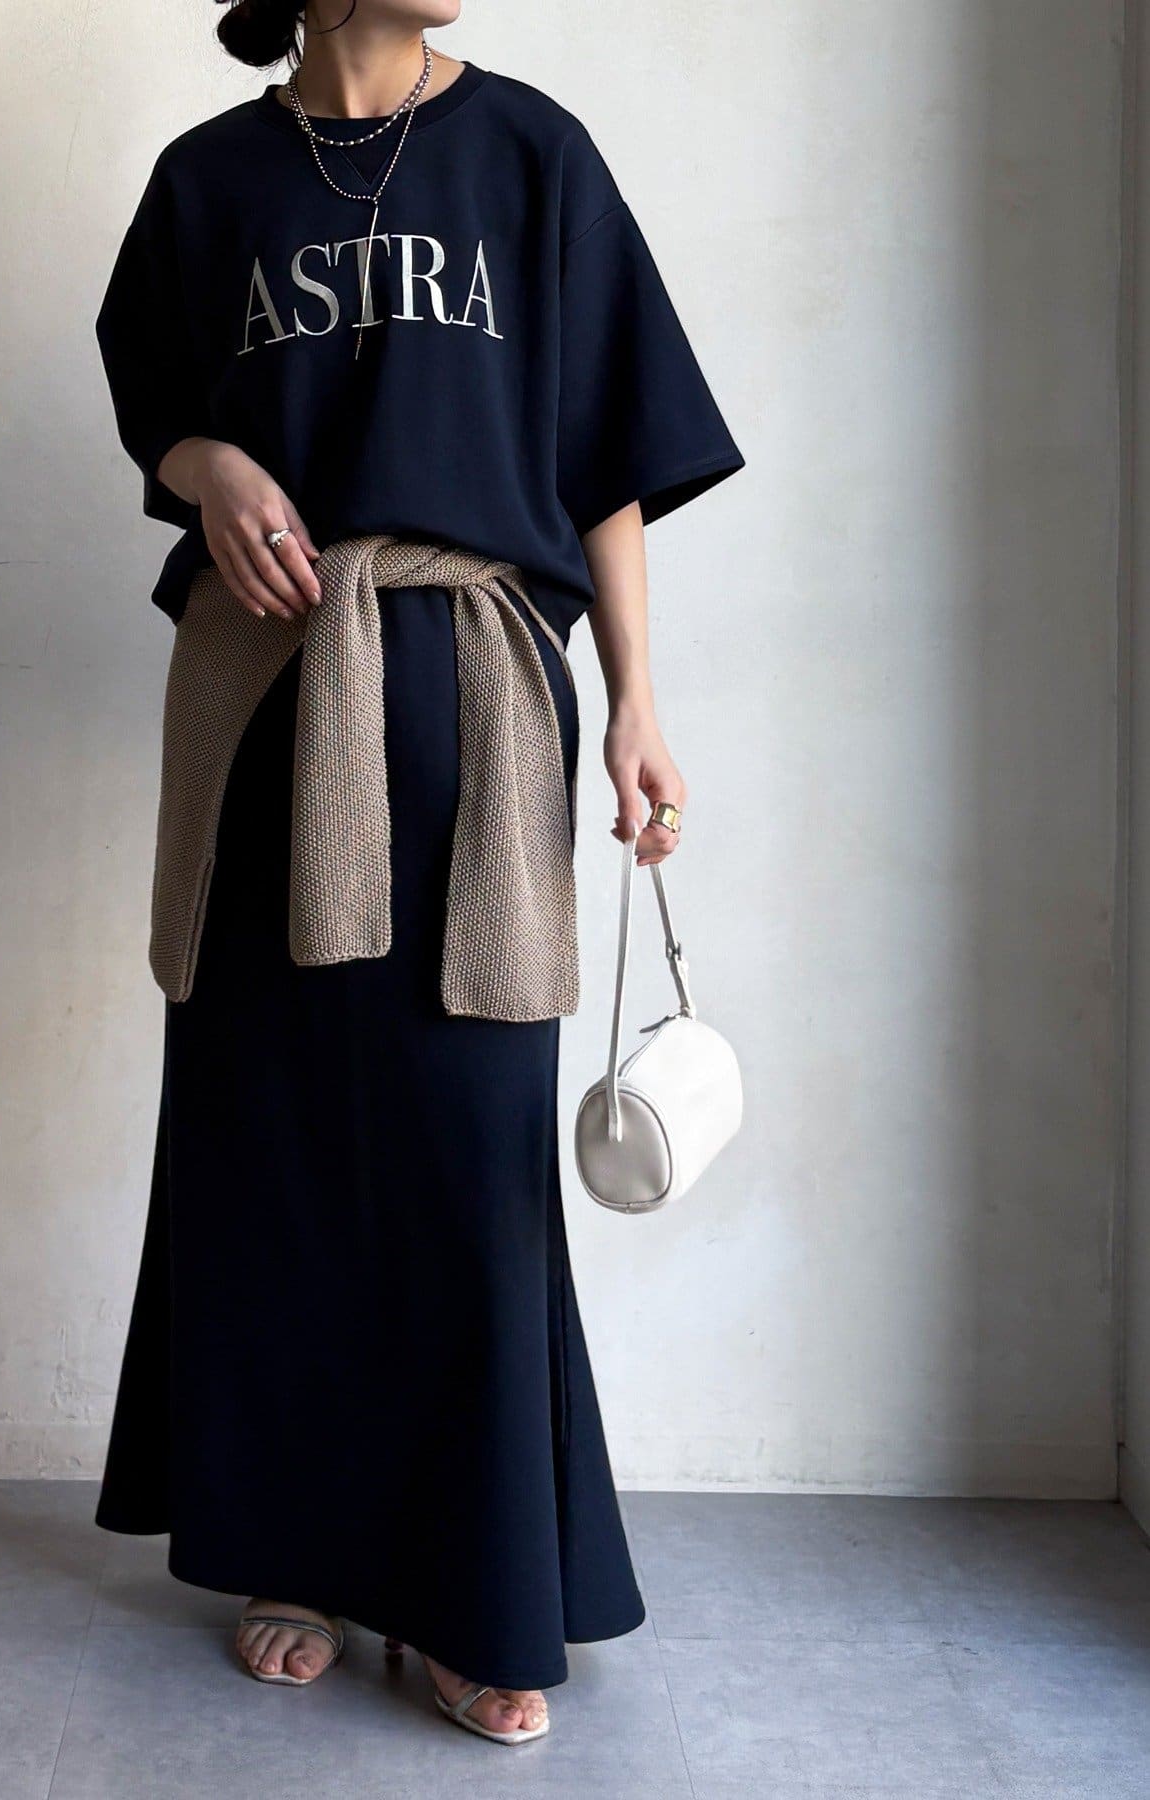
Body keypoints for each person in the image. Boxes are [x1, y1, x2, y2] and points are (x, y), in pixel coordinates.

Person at [93, 0, 742, 1747]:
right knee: (276, 1132)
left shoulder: (532, 154)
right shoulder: (209, 181)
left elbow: (608, 451)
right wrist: (213, 464)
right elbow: (157, 408)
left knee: (469, 1158)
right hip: (266, 698)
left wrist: (638, 704)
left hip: (473, 699)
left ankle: (471, 1588)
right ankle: (289, 1552)